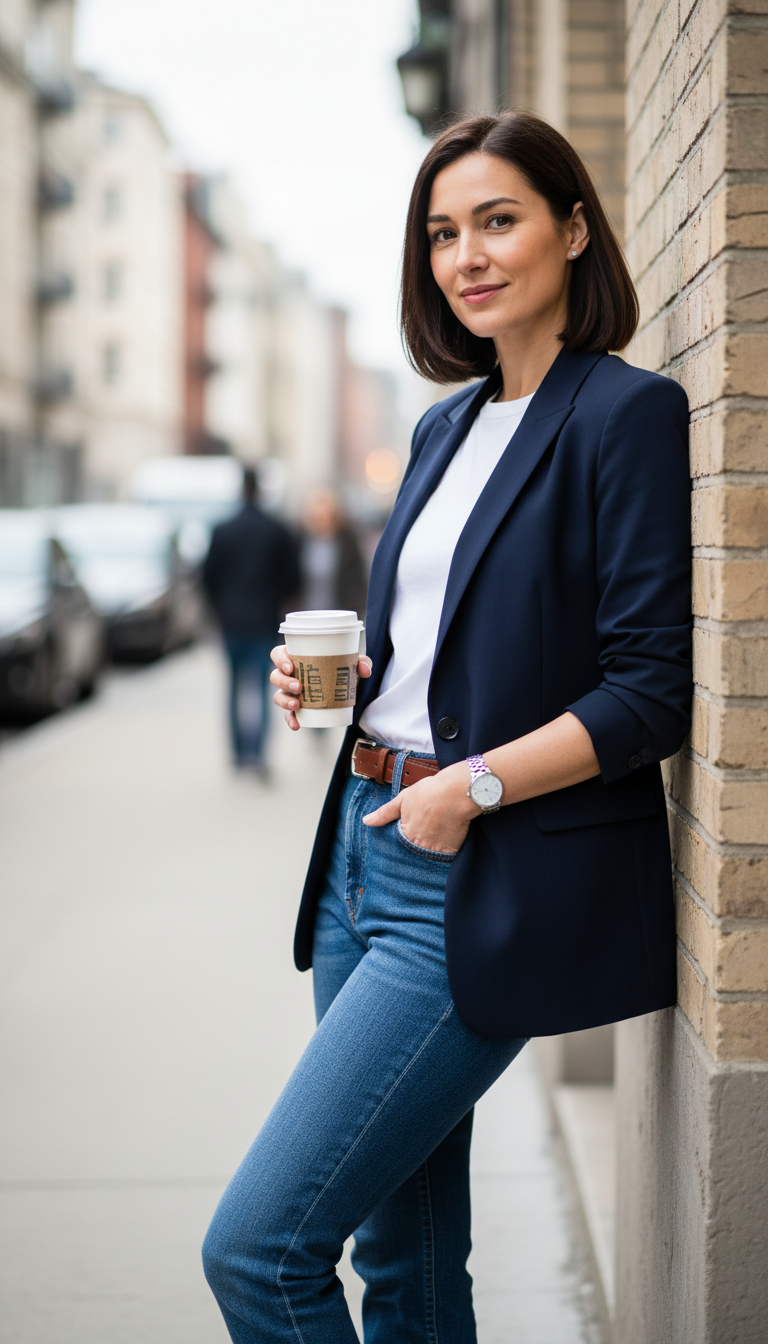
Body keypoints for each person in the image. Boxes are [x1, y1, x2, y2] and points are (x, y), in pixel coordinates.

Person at [203, 112, 692, 1341]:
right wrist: (357, 682)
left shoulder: (622, 416)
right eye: (441, 233)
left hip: (472, 868)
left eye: (498, 220)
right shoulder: (441, 426)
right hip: (361, 856)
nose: (466, 255)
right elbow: (453, 638)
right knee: (409, 1257)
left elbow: (649, 691)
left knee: (261, 1252)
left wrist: (462, 787)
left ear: (574, 230)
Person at [202, 466, 299, 774]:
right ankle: (256, 758)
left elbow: (207, 578)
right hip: (264, 620)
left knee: (232, 688)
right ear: (261, 490)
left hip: (230, 621)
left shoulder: (222, 529)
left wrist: (218, 608)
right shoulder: (276, 529)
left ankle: (236, 754)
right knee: (261, 689)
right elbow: (292, 578)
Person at [299, 487, 368, 618]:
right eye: (318, 517)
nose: (323, 522)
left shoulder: (348, 544)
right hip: (306, 616)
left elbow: (357, 582)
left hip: (339, 616)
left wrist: (355, 611)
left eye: (328, 516)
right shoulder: (301, 542)